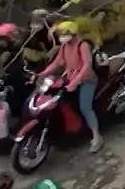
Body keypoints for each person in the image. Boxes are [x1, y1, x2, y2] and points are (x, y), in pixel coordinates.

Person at [39, 20, 101, 153]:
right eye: (60, 34)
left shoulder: (82, 45)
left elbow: (87, 65)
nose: (61, 37)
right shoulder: (64, 46)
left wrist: (75, 82)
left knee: (85, 107)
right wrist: (43, 74)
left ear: (72, 33)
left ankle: (97, 137)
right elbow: (56, 63)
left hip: (86, 80)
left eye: (63, 34)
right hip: (70, 79)